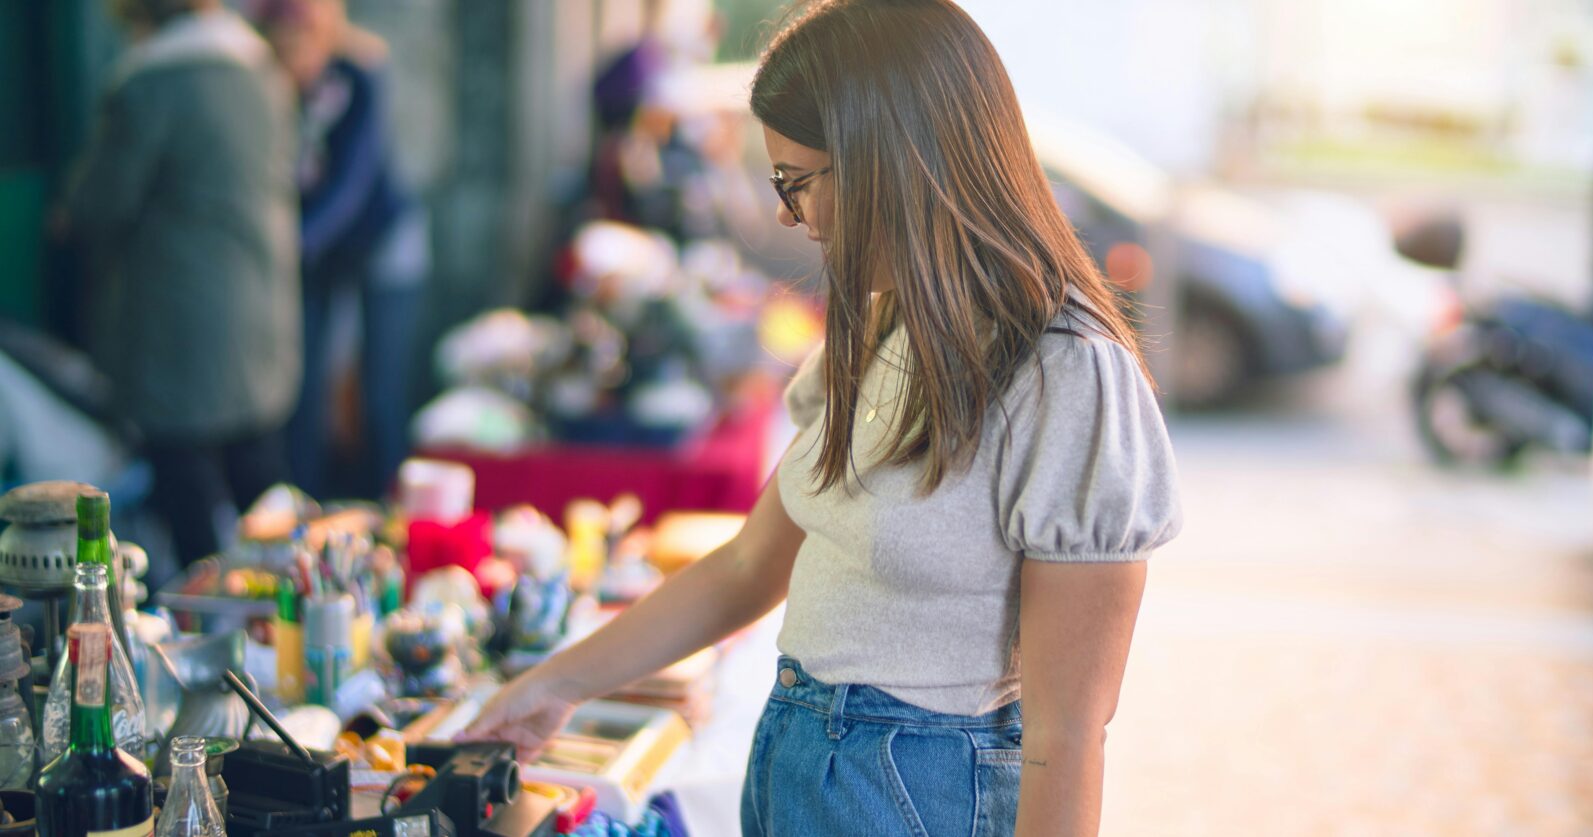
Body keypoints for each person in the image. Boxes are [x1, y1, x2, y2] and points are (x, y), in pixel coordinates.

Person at [462, 1, 1182, 834]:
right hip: (803, 766)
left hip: (912, 792)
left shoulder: (1069, 371)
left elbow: (1068, 734)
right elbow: (747, 566)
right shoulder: (889, 322)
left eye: (795, 182)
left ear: (889, 161)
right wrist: (553, 684)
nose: (785, 214)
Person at [61, 0, 300, 567]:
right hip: (262, 306)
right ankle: (285, 597)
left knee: (188, 494)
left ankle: (210, 604)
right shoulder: (260, 68)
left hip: (181, 322)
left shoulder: (151, 83)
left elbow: (99, 204)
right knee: (260, 482)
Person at [254, 0, 429, 500]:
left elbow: (353, 180)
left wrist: (293, 243)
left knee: (380, 389)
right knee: (302, 383)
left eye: (300, 41)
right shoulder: (268, 87)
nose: (294, 57)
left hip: (380, 237)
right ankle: (301, 503)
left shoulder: (358, 75)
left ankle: (387, 502)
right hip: (316, 250)